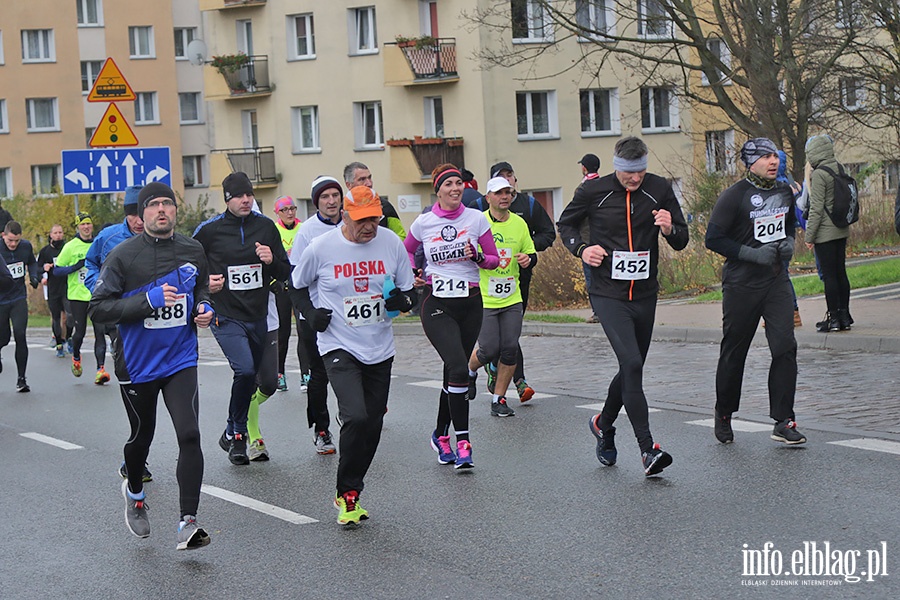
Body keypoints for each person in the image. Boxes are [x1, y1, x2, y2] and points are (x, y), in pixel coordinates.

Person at [89, 182, 213, 550]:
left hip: (179, 357)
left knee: (190, 434)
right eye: (154, 205)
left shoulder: (193, 249)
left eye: (168, 204)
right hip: (137, 363)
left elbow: (201, 288)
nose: (162, 210)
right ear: (141, 215)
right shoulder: (123, 256)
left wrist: (205, 308)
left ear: (176, 210)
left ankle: (187, 522)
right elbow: (98, 308)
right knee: (141, 437)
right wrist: (149, 300)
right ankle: (135, 491)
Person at [557, 136, 689, 476]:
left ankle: (603, 423)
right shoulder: (593, 192)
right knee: (631, 361)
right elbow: (566, 224)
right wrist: (582, 250)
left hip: (644, 293)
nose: (636, 179)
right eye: (630, 173)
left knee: (633, 366)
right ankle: (648, 450)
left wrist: (669, 227)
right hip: (608, 293)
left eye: (641, 172)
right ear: (617, 168)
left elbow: (682, 237)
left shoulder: (658, 188)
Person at [292, 185, 416, 527]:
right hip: (338, 344)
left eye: (374, 219)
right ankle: (348, 492)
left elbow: (408, 293)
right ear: (344, 215)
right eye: (362, 220)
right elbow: (296, 285)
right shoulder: (322, 247)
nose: (369, 227)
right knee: (357, 416)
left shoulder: (390, 243)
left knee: (372, 423)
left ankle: (352, 487)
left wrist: (402, 303)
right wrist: (309, 313)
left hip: (380, 346)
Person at [705, 138, 806, 446]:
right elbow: (713, 239)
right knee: (735, 352)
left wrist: (788, 244)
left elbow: (786, 227)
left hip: (775, 281)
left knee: (785, 346)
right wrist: (751, 254)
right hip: (741, 285)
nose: (772, 161)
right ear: (750, 163)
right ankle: (724, 413)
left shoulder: (782, 191)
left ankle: (783, 420)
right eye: (764, 157)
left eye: (774, 156)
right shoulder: (734, 197)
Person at [404, 164, 500, 469]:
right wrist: (413, 274)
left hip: (470, 303)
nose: (455, 188)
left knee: (453, 374)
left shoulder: (476, 219)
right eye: (449, 184)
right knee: (459, 367)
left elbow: (494, 260)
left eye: (459, 183)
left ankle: (439, 435)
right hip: (436, 304)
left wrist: (479, 257)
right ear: (438, 190)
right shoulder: (423, 223)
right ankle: (463, 444)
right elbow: (406, 252)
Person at [193, 172, 291, 465]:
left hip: (258, 315)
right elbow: (188, 266)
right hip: (225, 315)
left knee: (266, 381)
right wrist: (206, 285)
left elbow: (285, 272)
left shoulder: (266, 227)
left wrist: (272, 260)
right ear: (227, 199)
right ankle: (238, 437)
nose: (246, 200)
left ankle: (229, 429)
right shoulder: (209, 231)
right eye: (239, 196)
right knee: (245, 370)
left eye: (249, 195)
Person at [481, 160, 556, 401]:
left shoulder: (529, 206)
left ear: (515, 181)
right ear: (489, 194)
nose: (505, 190)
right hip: (485, 287)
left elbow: (548, 233)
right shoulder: (478, 213)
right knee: (496, 342)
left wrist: (530, 253)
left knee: (510, 337)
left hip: (518, 281)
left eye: (509, 179)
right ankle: (496, 370)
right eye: (499, 183)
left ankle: (513, 382)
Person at [466, 177, 536, 417]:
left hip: (511, 297)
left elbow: (530, 252)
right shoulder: (478, 222)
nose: (505, 196)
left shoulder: (519, 224)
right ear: (488, 198)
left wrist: (529, 259)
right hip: (484, 298)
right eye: (499, 193)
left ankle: (499, 399)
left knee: (509, 349)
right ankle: (471, 371)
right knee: (488, 349)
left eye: (508, 192)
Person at [288, 176, 345, 455]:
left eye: (335, 195)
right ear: (316, 202)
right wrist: (307, 313)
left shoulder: (352, 224)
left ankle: (348, 414)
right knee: (319, 374)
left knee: (351, 368)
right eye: (325, 197)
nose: (332, 201)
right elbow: (295, 279)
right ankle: (321, 428)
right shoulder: (307, 232)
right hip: (315, 312)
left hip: (346, 311)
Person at [84, 185, 145, 385]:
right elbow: (90, 263)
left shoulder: (160, 236)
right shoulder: (108, 237)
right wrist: (99, 287)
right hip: (120, 311)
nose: (138, 221)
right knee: (125, 368)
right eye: (132, 214)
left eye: (142, 214)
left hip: (151, 311)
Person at [804, 134, 852, 332]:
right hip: (841, 228)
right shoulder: (839, 167)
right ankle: (844, 315)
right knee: (841, 272)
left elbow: (816, 209)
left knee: (829, 276)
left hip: (825, 233)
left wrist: (809, 236)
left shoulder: (819, 174)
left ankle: (832, 318)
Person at [272, 195, 308, 392]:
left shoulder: (303, 228)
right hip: (282, 286)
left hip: (300, 285)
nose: (290, 213)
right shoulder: (273, 230)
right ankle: (280, 374)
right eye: (285, 210)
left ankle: (305, 374)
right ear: (277, 213)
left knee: (304, 331)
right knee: (282, 332)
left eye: (292, 208)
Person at [52, 213, 94, 378]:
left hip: (96, 293)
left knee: (102, 329)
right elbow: (57, 270)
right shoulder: (70, 246)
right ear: (78, 227)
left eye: (88, 224)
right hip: (77, 296)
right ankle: (76, 357)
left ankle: (101, 369)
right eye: (82, 224)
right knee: (80, 332)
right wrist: (75, 267)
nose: (86, 227)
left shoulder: (97, 244)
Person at [0, 221, 40, 392]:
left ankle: (21, 379)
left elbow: (32, 262)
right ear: (3, 235)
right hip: (0, 300)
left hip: (18, 297)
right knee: (3, 337)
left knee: (20, 334)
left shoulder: (25, 247)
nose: (13, 244)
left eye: (16, 241)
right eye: (10, 240)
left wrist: (34, 275)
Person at [343, 162, 407, 239]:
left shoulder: (385, 206)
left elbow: (401, 236)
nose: (369, 183)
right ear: (348, 185)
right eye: (362, 179)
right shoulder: (341, 208)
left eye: (369, 177)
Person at [37, 225, 73, 358]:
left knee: (70, 316)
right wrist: (43, 271)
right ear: (51, 235)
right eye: (55, 233)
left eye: (60, 232)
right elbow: (37, 268)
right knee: (56, 318)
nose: (58, 235)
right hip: (53, 289)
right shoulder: (46, 251)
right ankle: (59, 344)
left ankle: (68, 338)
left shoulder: (67, 248)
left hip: (67, 287)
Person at [577, 154, 602, 324]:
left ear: (584, 168)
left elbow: (577, 214)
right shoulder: (606, 185)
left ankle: (597, 312)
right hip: (606, 238)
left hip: (588, 240)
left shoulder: (583, 189)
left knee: (591, 278)